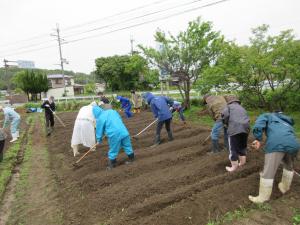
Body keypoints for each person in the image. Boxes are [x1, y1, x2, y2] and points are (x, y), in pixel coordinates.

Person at [249, 111, 300, 203]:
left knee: (269, 170)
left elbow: (259, 124)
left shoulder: (267, 115)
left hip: (276, 143)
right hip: (294, 144)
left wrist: (258, 139)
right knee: (288, 165)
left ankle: (263, 198)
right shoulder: (287, 121)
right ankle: (284, 187)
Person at [93, 105, 134, 170]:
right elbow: (119, 119)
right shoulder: (112, 111)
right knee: (127, 145)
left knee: (113, 149)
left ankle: (112, 164)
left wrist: (99, 139)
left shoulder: (100, 118)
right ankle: (132, 159)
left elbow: (99, 130)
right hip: (123, 131)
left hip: (114, 134)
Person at [221, 95, 250, 172]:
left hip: (234, 129)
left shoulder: (228, 107)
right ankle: (242, 163)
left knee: (233, 148)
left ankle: (233, 167)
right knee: (242, 146)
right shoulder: (242, 108)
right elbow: (247, 117)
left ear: (228, 101)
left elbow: (225, 116)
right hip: (245, 128)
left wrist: (226, 123)